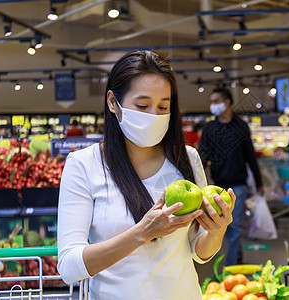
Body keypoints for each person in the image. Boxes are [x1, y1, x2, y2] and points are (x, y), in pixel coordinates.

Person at [57, 51, 236, 300]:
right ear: (112, 102)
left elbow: (198, 251)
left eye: (163, 106)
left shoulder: (187, 158)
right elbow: (68, 267)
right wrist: (142, 232)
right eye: (142, 106)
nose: (154, 115)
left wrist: (217, 231)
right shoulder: (83, 165)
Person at [199, 87, 263, 266]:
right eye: (211, 102)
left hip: (238, 185)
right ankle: (237, 255)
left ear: (227, 102)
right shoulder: (210, 128)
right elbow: (202, 157)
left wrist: (259, 182)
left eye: (216, 101)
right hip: (216, 185)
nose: (213, 105)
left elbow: (250, 155)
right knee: (225, 228)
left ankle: (230, 267)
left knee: (233, 228)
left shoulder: (241, 127)